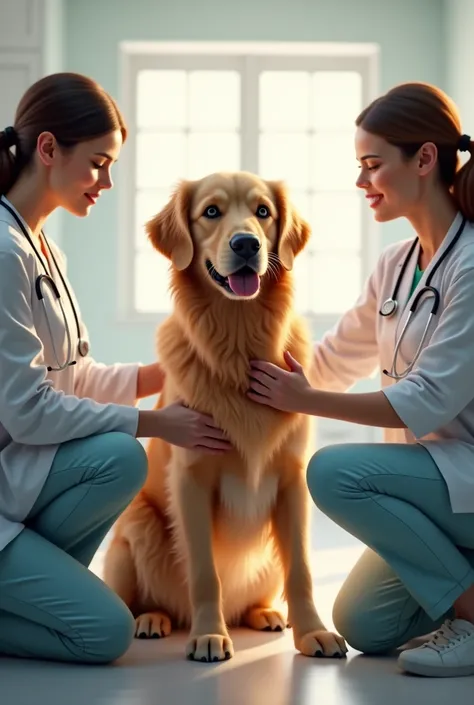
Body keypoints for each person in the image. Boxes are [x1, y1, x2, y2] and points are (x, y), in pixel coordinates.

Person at [0, 71, 231, 665]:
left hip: (19, 479)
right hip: (13, 471)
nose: (106, 182)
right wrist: (155, 424)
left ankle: (35, 588)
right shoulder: (4, 252)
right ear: (48, 148)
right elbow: (27, 411)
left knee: (119, 456)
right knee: (103, 633)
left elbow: (71, 377)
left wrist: (175, 368)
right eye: (99, 163)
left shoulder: (41, 245)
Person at [247, 81, 474, 679]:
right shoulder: (396, 264)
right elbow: (328, 360)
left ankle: (473, 612)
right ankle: (459, 580)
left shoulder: (472, 265)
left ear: (425, 159)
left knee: (331, 470)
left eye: (373, 166)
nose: (361, 182)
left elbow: (426, 401)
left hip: (465, 477)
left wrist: (308, 401)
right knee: (363, 626)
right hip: (429, 491)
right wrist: (235, 375)